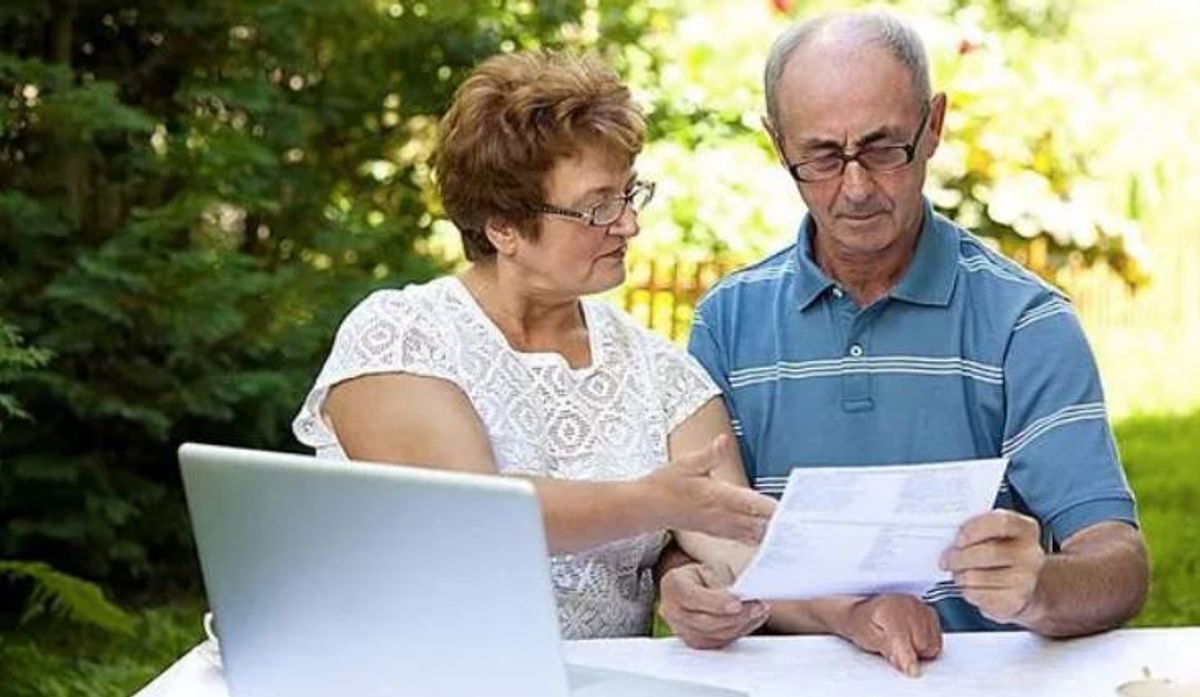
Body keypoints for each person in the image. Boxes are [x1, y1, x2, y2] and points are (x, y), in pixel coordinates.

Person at [657, 10, 1149, 676]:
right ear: (778, 145)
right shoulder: (727, 320)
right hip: (782, 682)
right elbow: (706, 532)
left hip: (971, 680)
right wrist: (683, 583)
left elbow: (1118, 561)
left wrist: (1041, 589)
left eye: (884, 148)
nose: (856, 188)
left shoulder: (1022, 321)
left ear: (934, 124)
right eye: (823, 157)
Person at [291, 50, 776, 640]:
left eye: (629, 194)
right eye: (599, 205)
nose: (628, 224)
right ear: (503, 226)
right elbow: (470, 514)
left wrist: (847, 611)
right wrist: (653, 503)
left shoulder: (658, 370)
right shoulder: (401, 337)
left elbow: (742, 544)